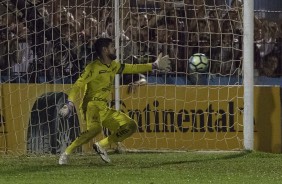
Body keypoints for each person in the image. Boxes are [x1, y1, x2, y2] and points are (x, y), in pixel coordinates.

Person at [58, 37, 170, 165]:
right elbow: (78, 84)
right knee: (95, 130)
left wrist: (154, 65)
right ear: (105, 50)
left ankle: (101, 145)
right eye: (112, 47)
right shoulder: (93, 68)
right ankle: (66, 153)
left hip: (104, 108)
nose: (115, 48)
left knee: (131, 126)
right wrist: (70, 103)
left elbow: (132, 68)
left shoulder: (113, 66)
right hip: (91, 106)